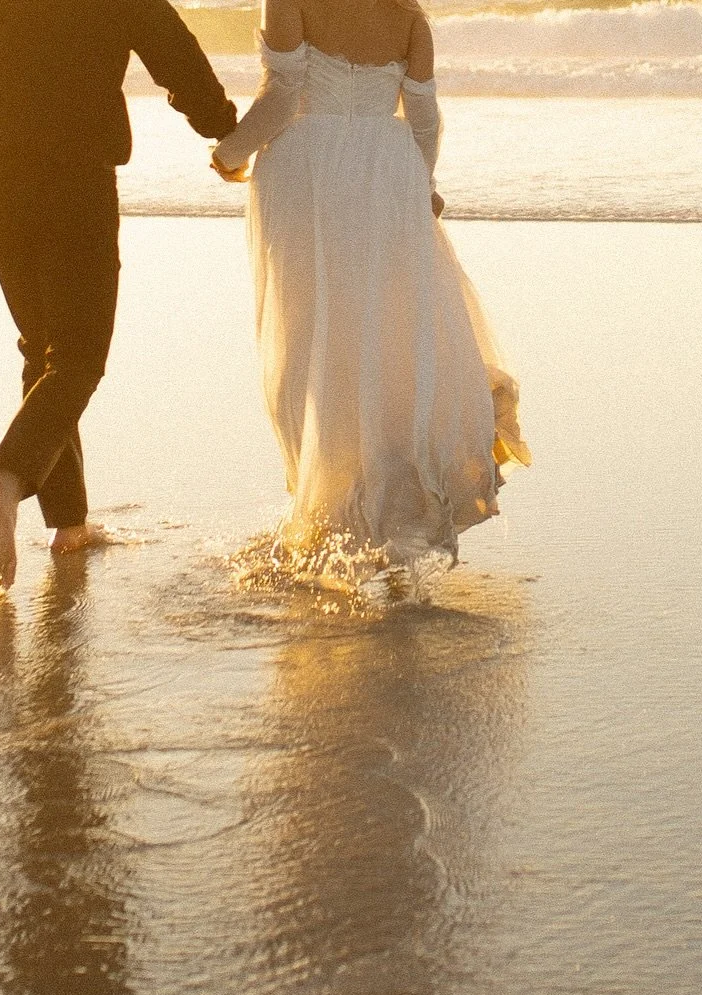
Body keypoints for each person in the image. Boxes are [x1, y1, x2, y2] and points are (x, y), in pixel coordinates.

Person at [0, 0, 237, 588]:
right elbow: (177, 60)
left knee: (44, 348)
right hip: (78, 175)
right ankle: (8, 477)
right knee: (80, 357)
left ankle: (67, 525)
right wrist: (228, 132)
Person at [209, 0, 529, 569]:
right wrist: (422, 183)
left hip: (309, 172)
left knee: (314, 339)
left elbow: (284, 94)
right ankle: (398, 501)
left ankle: (335, 505)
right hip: (388, 169)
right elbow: (425, 119)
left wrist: (231, 152)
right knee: (393, 335)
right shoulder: (409, 18)